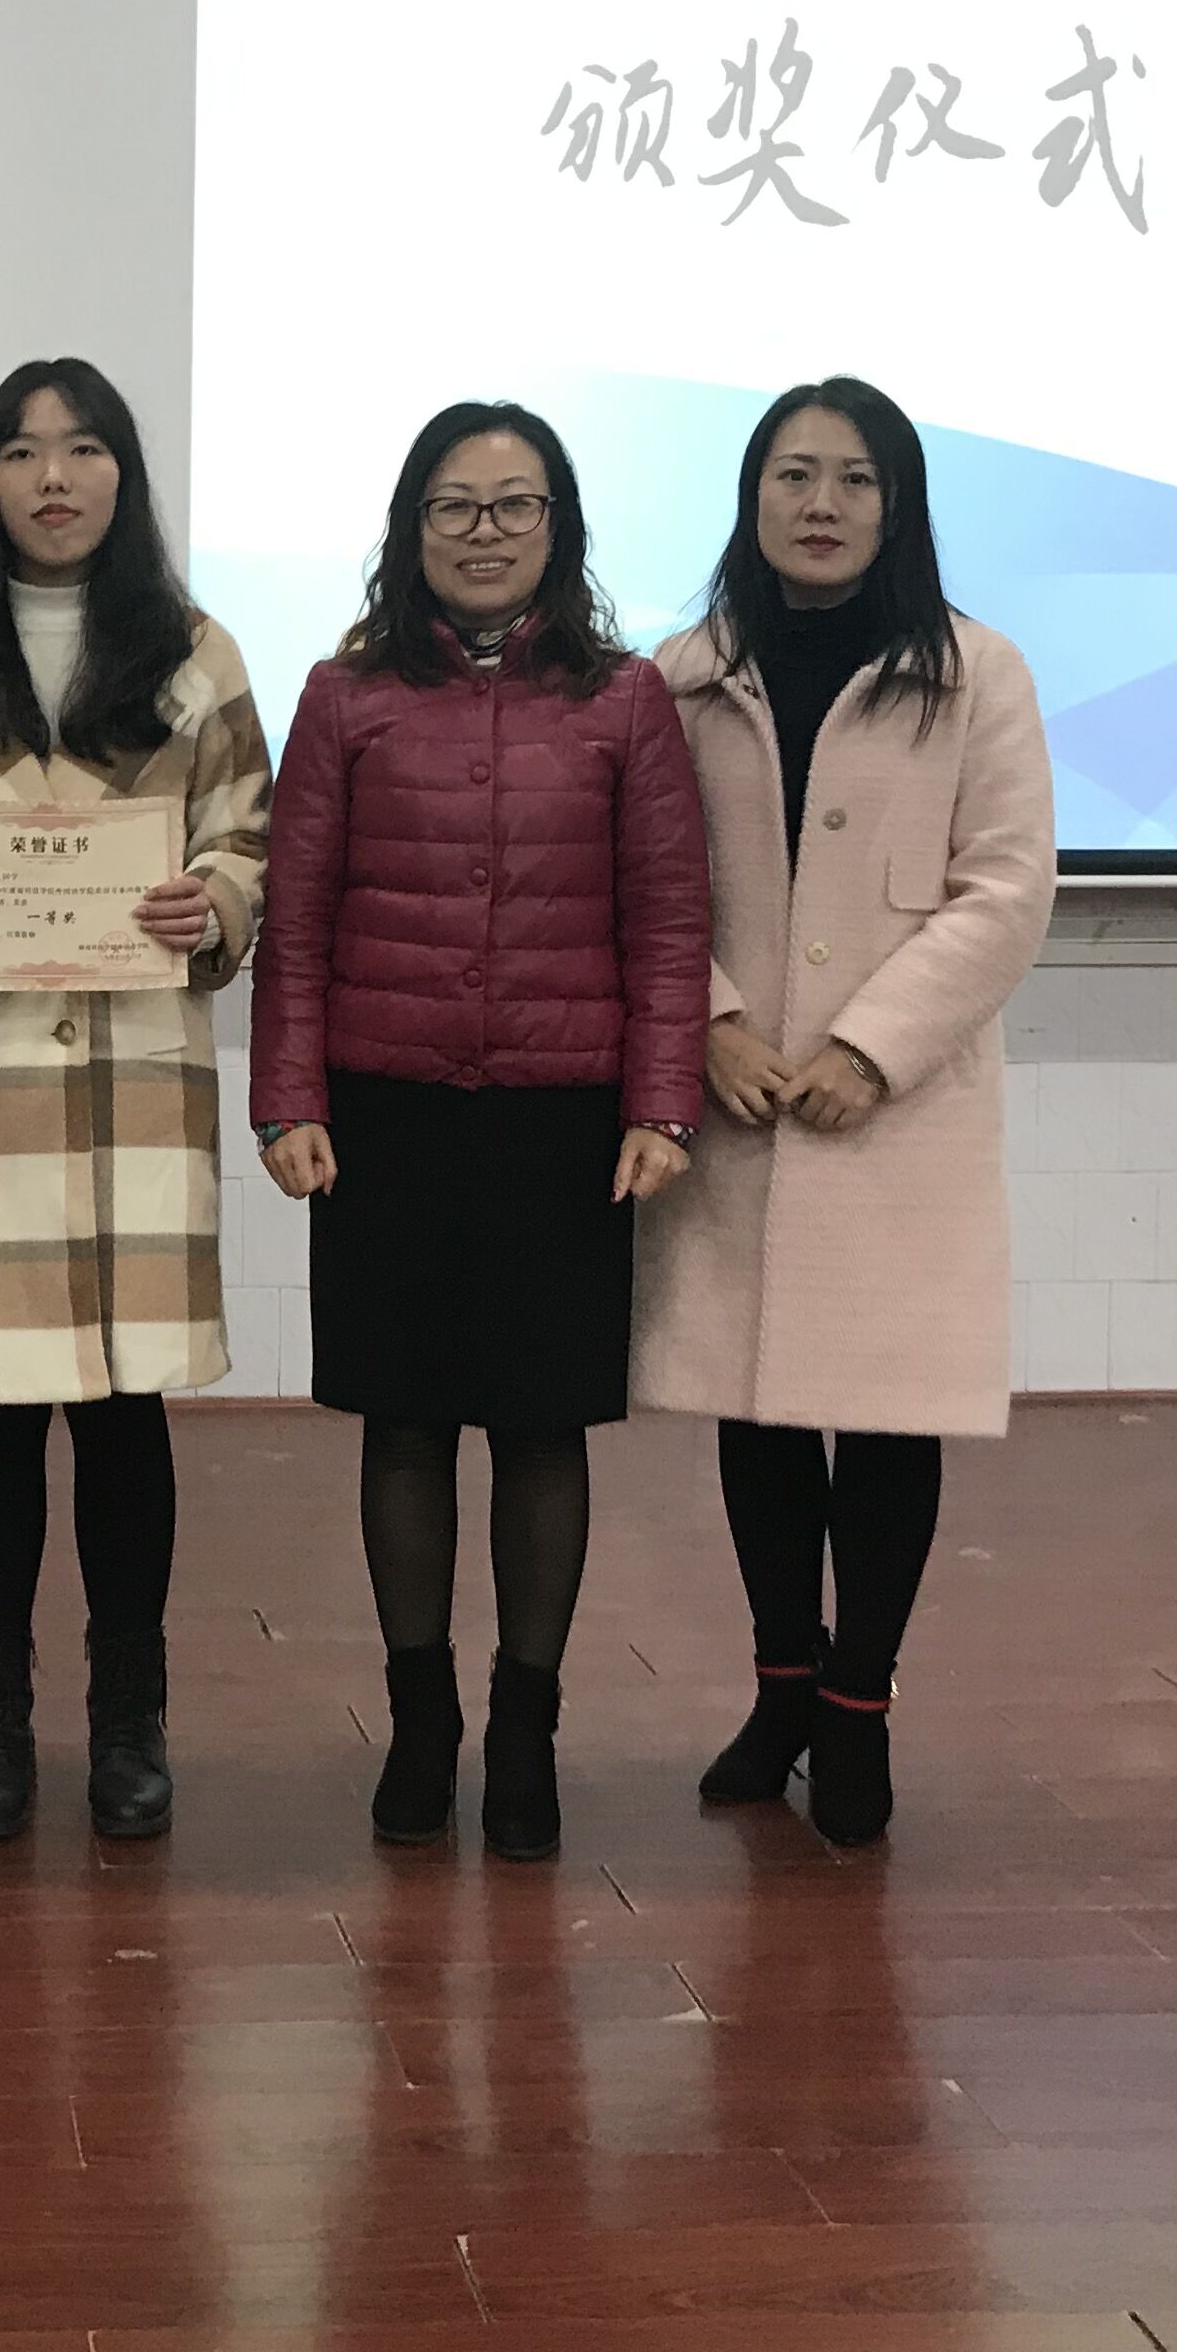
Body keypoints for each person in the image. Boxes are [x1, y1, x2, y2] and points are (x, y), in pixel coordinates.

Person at [252, 403, 713, 1860]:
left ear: (560, 530)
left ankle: (525, 1732)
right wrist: (288, 1098)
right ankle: (421, 1722)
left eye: (517, 505)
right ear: (412, 529)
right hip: (384, 1112)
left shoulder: (626, 701)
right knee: (403, 1422)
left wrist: (662, 1102)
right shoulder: (344, 695)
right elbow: (296, 920)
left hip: (560, 1119)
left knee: (540, 1428)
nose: (486, 532)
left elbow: (669, 921)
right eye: (455, 505)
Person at [0, 358, 273, 1845]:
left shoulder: (195, 656)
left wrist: (213, 902)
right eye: (24, 452)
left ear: (122, 476)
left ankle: (130, 1715)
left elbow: (248, 836)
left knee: (124, 1412)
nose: (54, 478)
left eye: (85, 449)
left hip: (131, 1072)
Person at [635, 377, 1055, 1847]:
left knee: (885, 1416)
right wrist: (708, 1022)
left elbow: (1007, 890)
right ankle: (780, 1691)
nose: (822, 505)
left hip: (895, 1111)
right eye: (794, 475)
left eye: (856, 479)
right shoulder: (682, 678)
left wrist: (873, 1049)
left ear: (900, 505)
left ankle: (858, 1706)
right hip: (741, 1098)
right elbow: (641, 879)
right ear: (751, 497)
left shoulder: (977, 674)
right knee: (754, 1409)